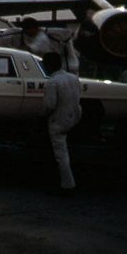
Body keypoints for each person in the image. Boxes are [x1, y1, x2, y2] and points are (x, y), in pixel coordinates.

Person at [42, 51, 82, 196]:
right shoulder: (73, 78)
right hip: (74, 117)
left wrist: (42, 116)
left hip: (59, 121)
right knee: (65, 152)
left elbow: (49, 106)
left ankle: (68, 185)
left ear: (48, 66)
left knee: (61, 154)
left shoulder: (52, 82)